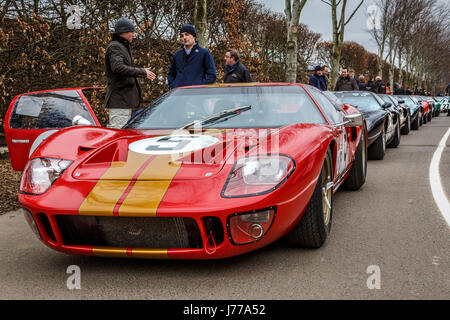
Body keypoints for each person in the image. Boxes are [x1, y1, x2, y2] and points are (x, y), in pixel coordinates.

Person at [104, 17, 156, 128]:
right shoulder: (115, 47)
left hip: (123, 101)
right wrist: (142, 72)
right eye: (132, 32)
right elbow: (118, 68)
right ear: (124, 32)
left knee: (124, 132)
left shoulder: (121, 46)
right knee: (119, 134)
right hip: (119, 101)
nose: (133, 34)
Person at [167, 24, 217, 89]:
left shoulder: (204, 53)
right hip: (178, 95)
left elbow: (212, 75)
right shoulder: (177, 54)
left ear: (194, 36)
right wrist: (173, 86)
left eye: (187, 34)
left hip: (196, 95)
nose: (184, 37)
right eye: (182, 36)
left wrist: (199, 86)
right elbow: (170, 74)